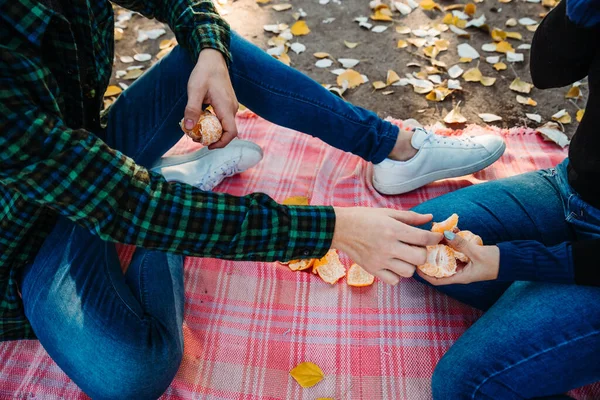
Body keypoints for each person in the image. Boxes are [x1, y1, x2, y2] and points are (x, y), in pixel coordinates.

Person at [0, 0, 506, 398]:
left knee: (206, 53)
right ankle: (176, 197)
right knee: (132, 374)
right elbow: (127, 203)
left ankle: (393, 149)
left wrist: (209, 51)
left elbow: (179, 4)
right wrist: (334, 228)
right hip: (27, 241)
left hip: (84, 152)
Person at [408, 1, 600, 398]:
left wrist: (511, 260)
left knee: (466, 384)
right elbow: (548, 72)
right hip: (573, 193)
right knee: (423, 235)